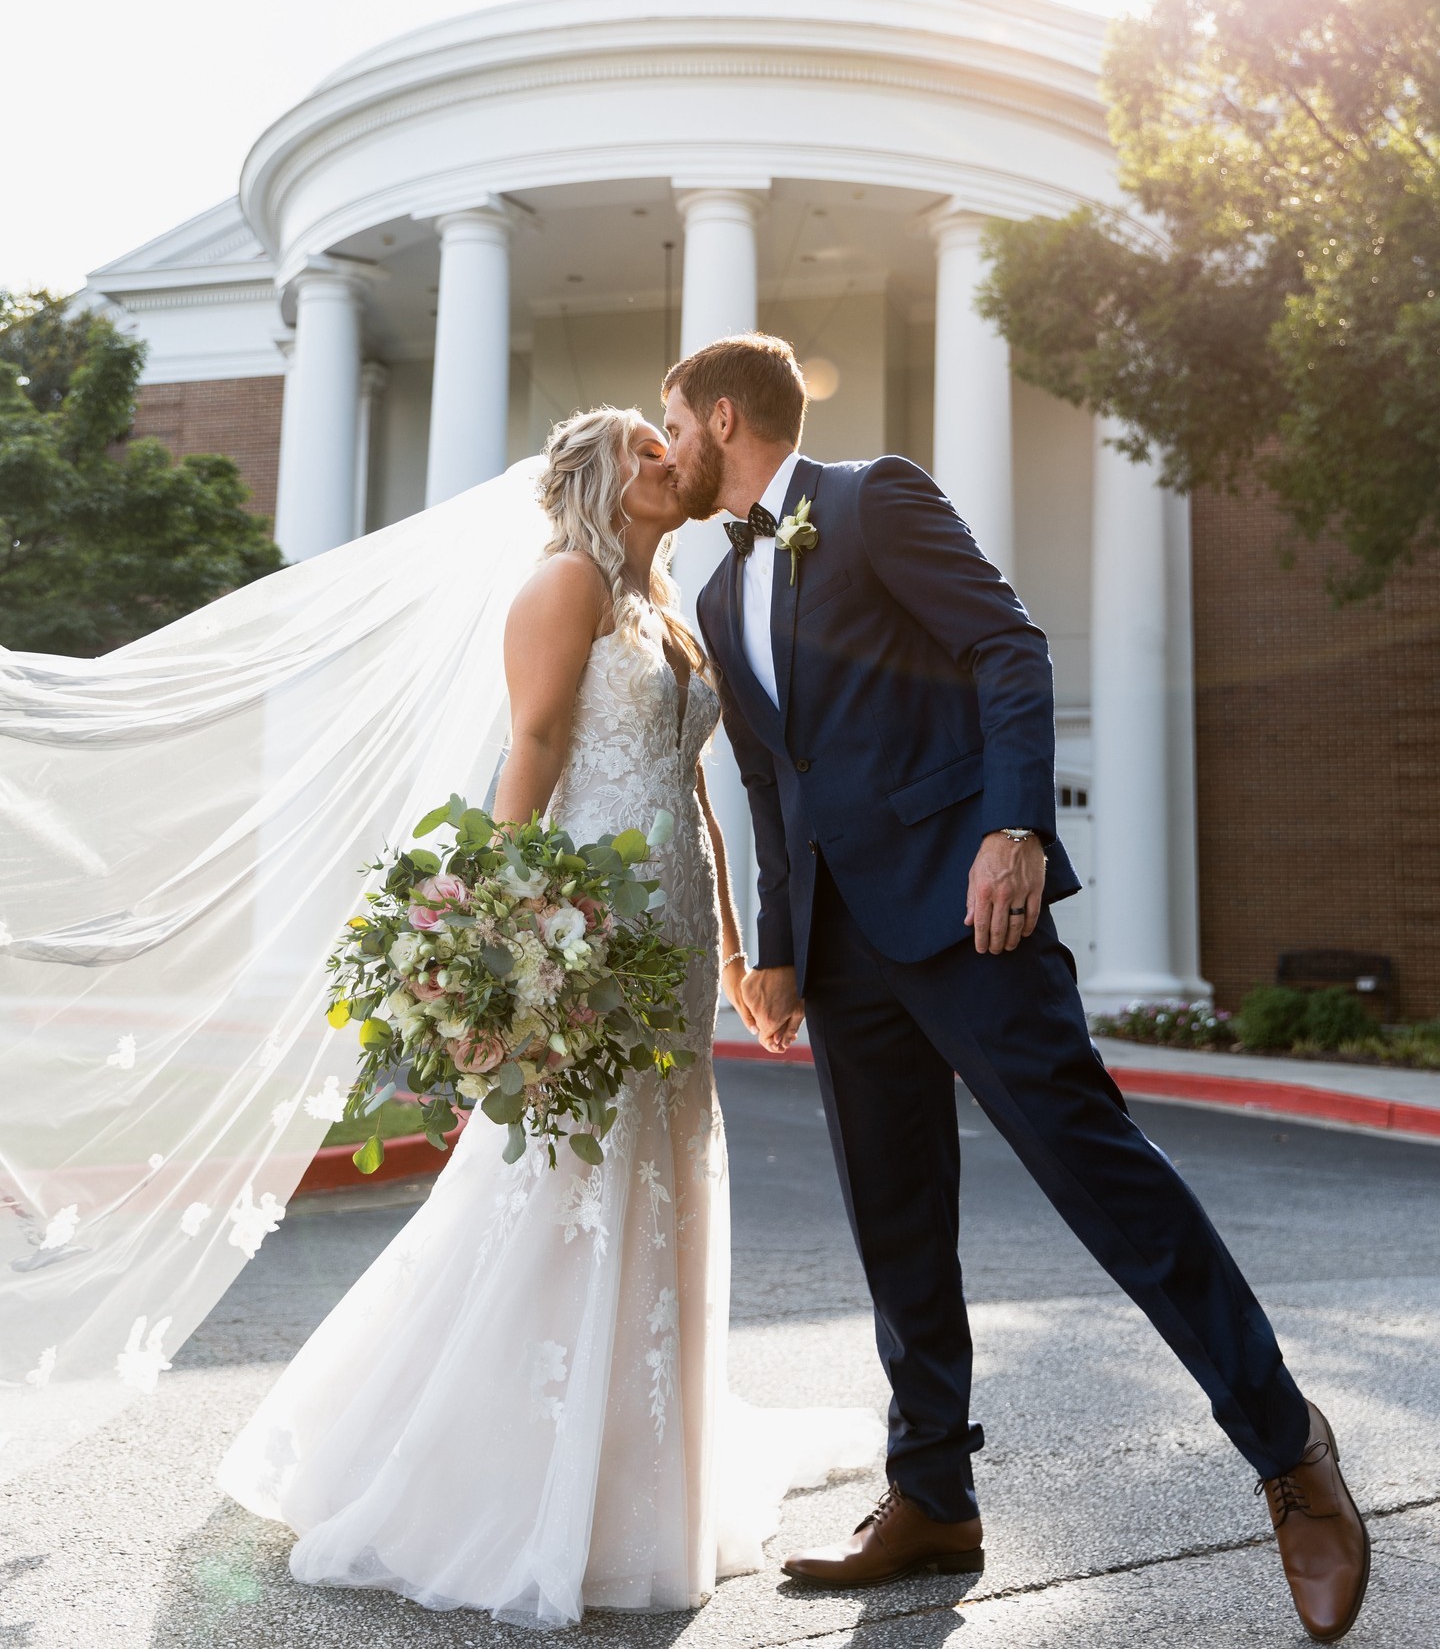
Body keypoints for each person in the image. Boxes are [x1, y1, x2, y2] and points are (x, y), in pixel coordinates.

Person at [664, 332, 1370, 1646]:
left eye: (675, 428)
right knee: (896, 1222)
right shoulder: (716, 593)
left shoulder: (873, 496)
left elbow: (1008, 647)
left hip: (967, 906)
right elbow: (769, 786)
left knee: (1103, 1177)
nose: (668, 452)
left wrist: (1018, 829)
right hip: (840, 947)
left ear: (721, 414)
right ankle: (930, 1492)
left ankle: (1291, 1454)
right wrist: (770, 951)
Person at [214, 406, 881, 1626]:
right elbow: (528, 752)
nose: (667, 457)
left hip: (674, 938)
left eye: (666, 437)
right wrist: (483, 946)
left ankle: (635, 1459)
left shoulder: (667, 607)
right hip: (586, 927)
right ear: (591, 477)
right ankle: (486, 1464)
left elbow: (693, 788)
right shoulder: (564, 583)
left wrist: (737, 945)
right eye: (642, 446)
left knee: (659, 1170)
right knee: (565, 1174)